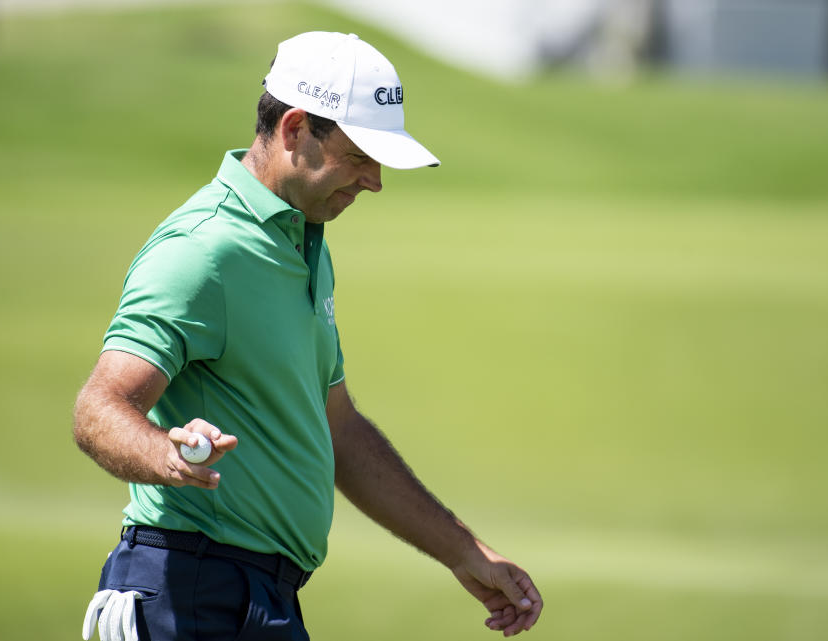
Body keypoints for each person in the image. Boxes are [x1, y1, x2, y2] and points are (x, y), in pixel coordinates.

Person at [73, 31, 542, 641]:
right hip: (186, 591)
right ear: (295, 129)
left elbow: (338, 429)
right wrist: (168, 454)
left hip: (262, 599)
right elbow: (98, 409)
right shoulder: (203, 250)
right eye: (358, 156)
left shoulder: (305, 246)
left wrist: (464, 552)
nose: (374, 181)